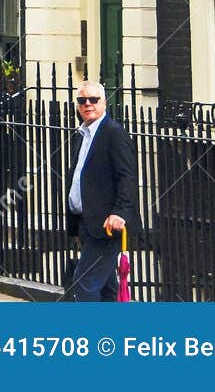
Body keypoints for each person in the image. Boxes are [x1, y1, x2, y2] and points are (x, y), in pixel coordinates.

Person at [64, 80, 138, 302]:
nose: (88, 104)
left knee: (84, 281)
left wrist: (120, 213)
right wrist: (76, 226)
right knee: (106, 288)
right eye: (82, 100)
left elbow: (127, 176)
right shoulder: (82, 134)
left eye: (93, 100)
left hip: (107, 225)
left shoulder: (114, 133)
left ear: (104, 103)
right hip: (87, 223)